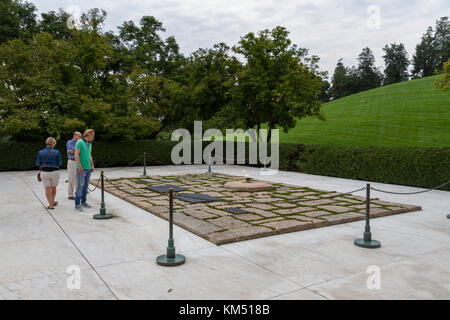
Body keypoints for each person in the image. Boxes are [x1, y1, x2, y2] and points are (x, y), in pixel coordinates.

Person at [36, 137, 63, 210]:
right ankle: (53, 202)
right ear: (54, 144)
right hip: (55, 172)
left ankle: (51, 205)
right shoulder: (57, 152)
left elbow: (37, 163)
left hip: (44, 172)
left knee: (47, 190)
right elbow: (60, 163)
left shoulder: (40, 152)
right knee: (53, 188)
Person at [74, 129, 95, 212]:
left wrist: (92, 165)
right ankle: (77, 204)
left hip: (88, 168)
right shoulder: (79, 142)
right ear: (88, 135)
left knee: (86, 186)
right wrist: (79, 166)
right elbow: (76, 154)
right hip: (81, 168)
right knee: (80, 185)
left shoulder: (89, 144)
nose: (93, 137)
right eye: (92, 135)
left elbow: (89, 155)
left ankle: (83, 202)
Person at [66, 131, 82, 200]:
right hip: (72, 162)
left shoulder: (80, 142)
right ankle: (70, 195)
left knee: (78, 178)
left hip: (79, 162)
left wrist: (75, 151)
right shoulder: (70, 142)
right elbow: (74, 151)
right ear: (75, 136)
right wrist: (77, 151)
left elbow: (76, 151)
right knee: (71, 178)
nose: (81, 138)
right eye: (80, 136)